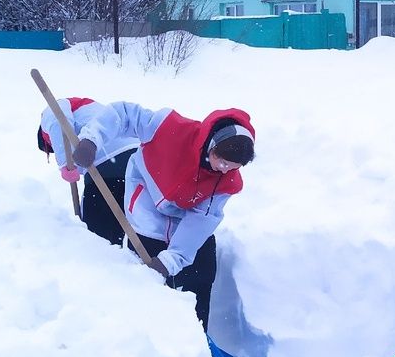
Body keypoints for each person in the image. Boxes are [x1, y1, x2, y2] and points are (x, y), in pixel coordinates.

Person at [65, 101, 255, 336]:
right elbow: (125, 114)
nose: (226, 170)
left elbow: (201, 221)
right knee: (146, 283)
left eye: (234, 167)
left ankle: (196, 340)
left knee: (202, 272)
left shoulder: (227, 182)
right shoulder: (170, 128)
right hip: (147, 210)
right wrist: (91, 140)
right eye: (224, 162)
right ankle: (148, 338)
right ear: (212, 147)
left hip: (185, 220)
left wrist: (174, 259)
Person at [38, 99, 138, 246]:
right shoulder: (92, 110)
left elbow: (57, 117)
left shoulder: (51, 111)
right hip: (136, 156)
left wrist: (65, 163)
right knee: (133, 224)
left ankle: (103, 262)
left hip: (107, 158)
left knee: (98, 236)